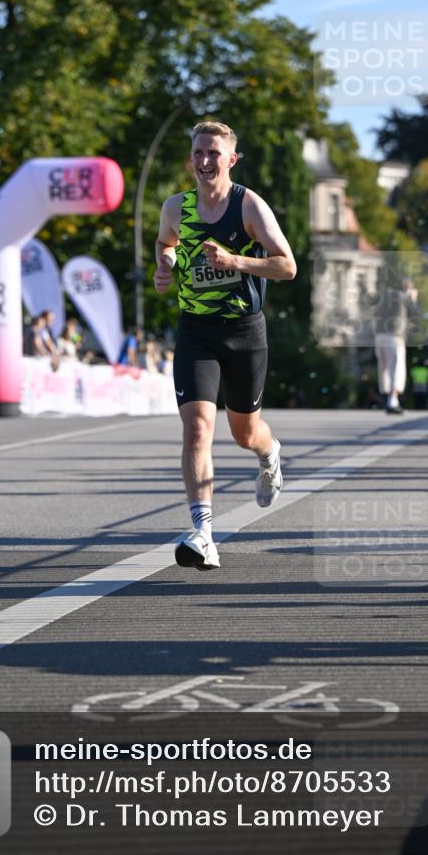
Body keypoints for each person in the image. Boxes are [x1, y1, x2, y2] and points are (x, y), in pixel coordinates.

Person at [154, 121, 297, 571]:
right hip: (196, 330)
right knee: (197, 428)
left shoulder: (248, 205)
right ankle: (204, 534)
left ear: (231, 159)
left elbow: (287, 266)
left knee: (244, 434)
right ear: (189, 159)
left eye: (214, 153)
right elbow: (166, 245)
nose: (204, 161)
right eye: (198, 153)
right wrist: (164, 264)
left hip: (243, 333)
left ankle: (269, 454)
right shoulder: (176, 207)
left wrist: (236, 260)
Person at [373, 275, 419, 414]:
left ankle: (388, 398)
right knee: (397, 368)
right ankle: (393, 400)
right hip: (394, 337)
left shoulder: (384, 296)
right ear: (407, 287)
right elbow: (415, 313)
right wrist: (413, 298)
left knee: (384, 368)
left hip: (379, 336)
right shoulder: (403, 297)